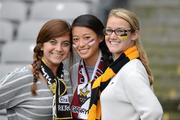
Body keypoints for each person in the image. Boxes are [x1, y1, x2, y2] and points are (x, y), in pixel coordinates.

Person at [88, 8, 163, 120]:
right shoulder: (117, 67)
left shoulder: (131, 71)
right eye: (109, 30)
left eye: (120, 31)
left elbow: (154, 112)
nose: (112, 36)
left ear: (134, 35)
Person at [0, 19, 73, 120]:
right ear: (41, 45)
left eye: (65, 44)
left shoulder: (67, 76)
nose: (59, 48)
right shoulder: (24, 76)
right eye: (53, 42)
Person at [70, 14, 113, 119]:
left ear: (101, 37)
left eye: (87, 38)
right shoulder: (73, 71)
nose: (80, 44)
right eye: (76, 39)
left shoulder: (114, 69)